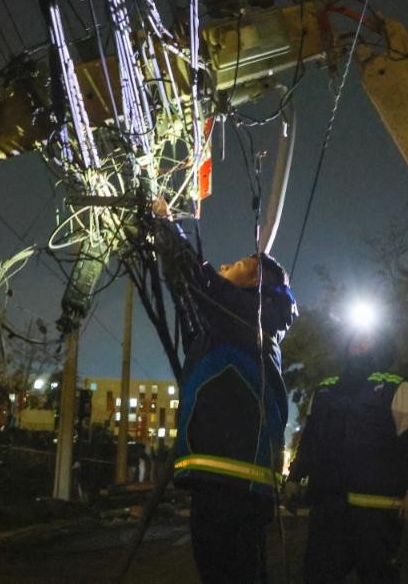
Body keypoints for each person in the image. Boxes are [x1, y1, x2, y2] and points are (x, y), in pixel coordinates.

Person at [149, 205, 298, 583]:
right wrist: (167, 242)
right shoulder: (231, 325)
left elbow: (200, 289)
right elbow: (191, 296)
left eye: (238, 265)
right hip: (225, 478)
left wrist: (169, 227)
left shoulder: (251, 318)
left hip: (234, 480)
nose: (226, 265)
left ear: (254, 285)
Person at [287, 327, 408, 584]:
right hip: (329, 510)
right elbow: (310, 441)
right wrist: (294, 477)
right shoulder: (324, 391)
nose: (360, 343)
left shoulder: (397, 387)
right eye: (355, 338)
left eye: (368, 339)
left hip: (376, 515)